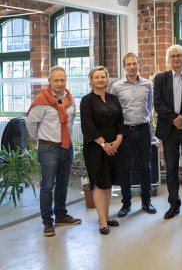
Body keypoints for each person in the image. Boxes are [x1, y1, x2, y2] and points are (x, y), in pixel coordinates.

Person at [26, 66, 81, 237]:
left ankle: (61, 214)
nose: (59, 83)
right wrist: (41, 139)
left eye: (62, 80)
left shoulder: (70, 100)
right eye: (56, 80)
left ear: (66, 81)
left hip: (66, 147)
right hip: (48, 148)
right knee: (48, 186)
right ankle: (48, 222)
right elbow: (30, 124)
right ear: (49, 81)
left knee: (63, 184)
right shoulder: (42, 100)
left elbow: (70, 123)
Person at [153, 45, 182, 220]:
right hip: (169, 130)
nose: (176, 58)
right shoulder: (160, 78)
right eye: (172, 56)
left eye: (179, 55)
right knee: (171, 169)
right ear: (168, 59)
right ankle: (174, 204)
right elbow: (158, 103)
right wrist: (175, 118)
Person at [110, 52, 156, 218]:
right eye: (128, 64)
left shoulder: (147, 84)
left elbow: (149, 105)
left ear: (139, 65)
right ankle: (126, 204)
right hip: (126, 132)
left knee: (146, 167)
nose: (131, 67)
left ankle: (146, 202)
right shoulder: (116, 87)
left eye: (134, 63)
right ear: (124, 67)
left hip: (144, 130)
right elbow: (114, 110)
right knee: (125, 169)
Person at [80, 66, 124, 235]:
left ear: (107, 79)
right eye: (96, 77)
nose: (100, 80)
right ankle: (102, 220)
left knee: (108, 182)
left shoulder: (113, 99)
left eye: (103, 77)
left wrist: (118, 140)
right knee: (99, 183)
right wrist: (104, 144)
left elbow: (121, 121)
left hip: (114, 146)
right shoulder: (87, 100)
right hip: (95, 148)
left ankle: (106, 215)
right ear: (91, 80)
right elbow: (88, 126)